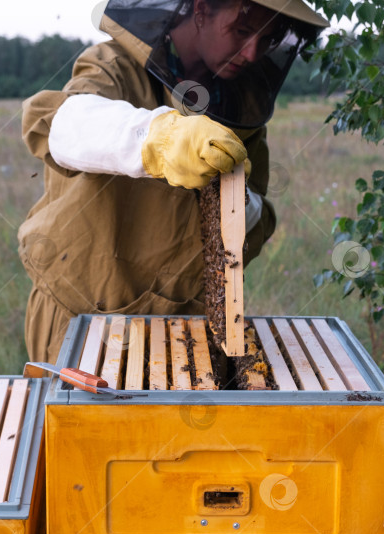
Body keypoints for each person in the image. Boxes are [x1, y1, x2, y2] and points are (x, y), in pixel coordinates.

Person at [19, 0, 328, 364]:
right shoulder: (115, 65)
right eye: (242, 31)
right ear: (201, 9)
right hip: (83, 320)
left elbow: (255, 212)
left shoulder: (240, 102)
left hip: (187, 332)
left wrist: (237, 198)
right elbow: (59, 125)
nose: (251, 53)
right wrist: (157, 139)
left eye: (268, 39)